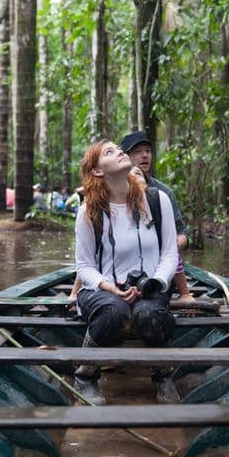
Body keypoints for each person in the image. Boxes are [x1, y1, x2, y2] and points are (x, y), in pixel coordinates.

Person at [74, 139, 181, 405]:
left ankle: (163, 375)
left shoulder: (157, 200)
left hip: (150, 288)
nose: (120, 152)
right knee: (115, 310)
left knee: (149, 313)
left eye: (118, 149)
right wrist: (109, 287)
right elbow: (84, 266)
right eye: (109, 152)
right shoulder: (89, 210)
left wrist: (155, 282)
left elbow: (170, 253)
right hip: (102, 291)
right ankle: (86, 375)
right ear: (98, 171)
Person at [120, 131, 194, 304]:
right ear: (124, 157)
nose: (145, 155)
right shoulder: (113, 190)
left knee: (169, 249)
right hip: (122, 261)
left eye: (148, 151)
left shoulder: (163, 193)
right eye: (137, 151)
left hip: (158, 261)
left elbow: (182, 232)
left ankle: (184, 293)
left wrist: (171, 245)